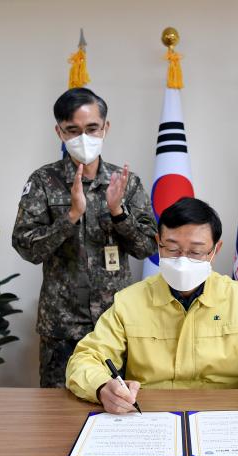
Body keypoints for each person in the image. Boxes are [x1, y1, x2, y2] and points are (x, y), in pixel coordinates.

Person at [66, 197, 238, 431]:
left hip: (227, 421)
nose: (183, 260)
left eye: (196, 252)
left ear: (215, 251)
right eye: (172, 249)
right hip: (149, 421)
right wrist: (101, 387)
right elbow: (85, 359)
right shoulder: (129, 302)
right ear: (158, 244)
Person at [12, 88, 157, 388]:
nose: (84, 138)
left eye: (92, 129)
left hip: (115, 324)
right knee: (58, 416)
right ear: (59, 132)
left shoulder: (125, 182)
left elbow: (147, 247)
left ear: (106, 127)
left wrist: (118, 213)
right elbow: (27, 247)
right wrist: (71, 217)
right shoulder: (43, 181)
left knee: (120, 408)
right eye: (73, 131)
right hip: (62, 326)